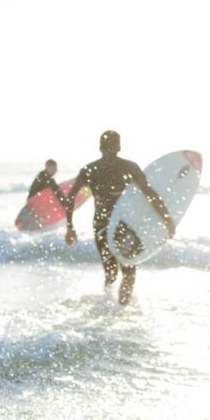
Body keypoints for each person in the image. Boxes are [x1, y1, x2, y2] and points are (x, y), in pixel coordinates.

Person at [63, 131, 175, 305]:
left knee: (110, 272)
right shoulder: (129, 167)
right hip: (124, 225)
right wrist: (166, 218)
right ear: (119, 147)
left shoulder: (89, 169)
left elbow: (69, 198)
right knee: (129, 271)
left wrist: (70, 227)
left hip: (101, 224)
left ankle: (107, 306)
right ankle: (122, 308)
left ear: (100, 147)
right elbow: (149, 194)